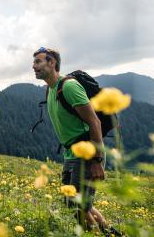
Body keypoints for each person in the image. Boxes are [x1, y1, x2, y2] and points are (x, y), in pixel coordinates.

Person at [33, 47, 121, 235]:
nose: (34, 66)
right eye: (34, 62)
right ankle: (112, 234)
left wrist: (96, 161)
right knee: (73, 202)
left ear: (52, 63)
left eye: (38, 62)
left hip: (88, 153)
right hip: (71, 154)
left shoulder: (69, 87)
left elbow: (94, 122)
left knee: (78, 205)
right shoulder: (50, 90)